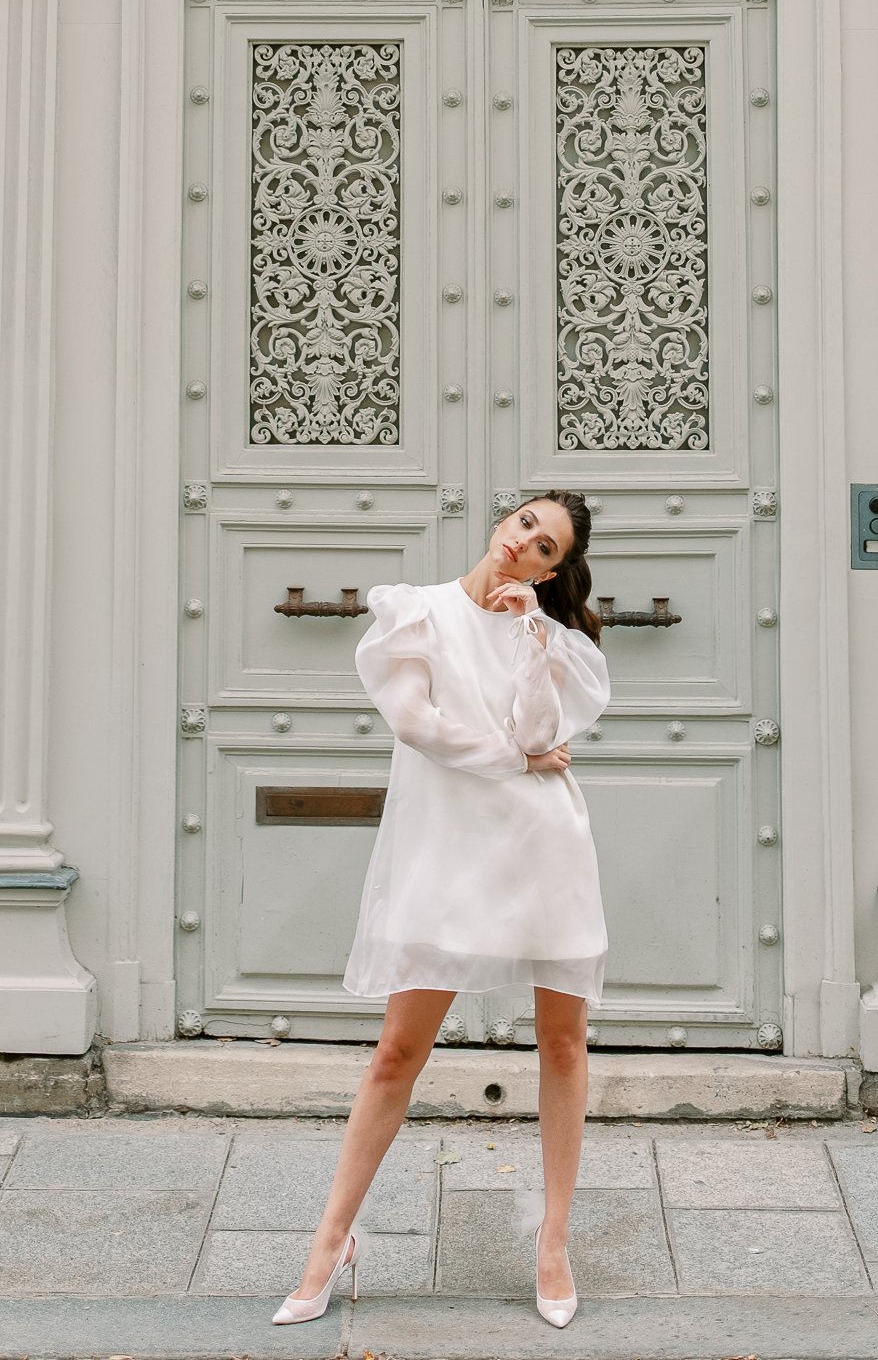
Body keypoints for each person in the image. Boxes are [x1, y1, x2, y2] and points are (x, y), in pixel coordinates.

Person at [272, 490, 610, 1331]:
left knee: (562, 1044)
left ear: (553, 570)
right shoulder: (413, 613)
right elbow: (415, 723)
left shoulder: (553, 638)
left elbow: (543, 734)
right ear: (504, 523)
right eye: (525, 523)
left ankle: (554, 1241)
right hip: (447, 853)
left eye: (545, 546)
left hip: (543, 850)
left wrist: (533, 637)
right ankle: (330, 1239)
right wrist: (512, 759)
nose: (525, 543)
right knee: (396, 1052)